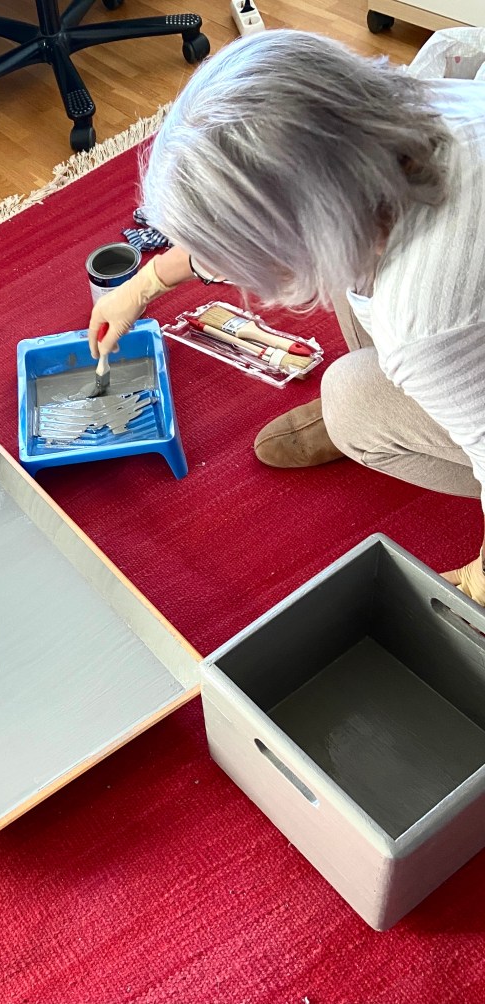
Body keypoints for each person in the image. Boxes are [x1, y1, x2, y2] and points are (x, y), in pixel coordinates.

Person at [87, 28, 485, 602]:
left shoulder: (427, 321)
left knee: (349, 398)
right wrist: (145, 283)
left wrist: (477, 585)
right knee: (352, 293)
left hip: (450, 325)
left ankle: (372, 420)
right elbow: (281, 192)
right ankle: (405, 406)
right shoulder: (405, 110)